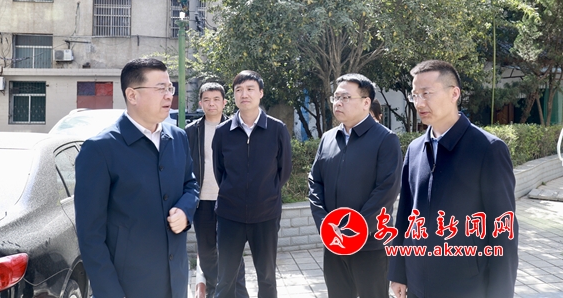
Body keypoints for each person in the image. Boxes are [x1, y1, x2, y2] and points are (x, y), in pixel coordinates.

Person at [388, 60, 518, 298]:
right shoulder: (415, 149)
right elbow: (405, 215)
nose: (419, 103)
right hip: (417, 285)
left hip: (466, 286)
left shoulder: (487, 149)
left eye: (427, 93)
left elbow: (503, 232)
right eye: (415, 95)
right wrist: (398, 272)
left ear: (454, 93)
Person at [74, 58, 199, 298]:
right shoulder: (100, 149)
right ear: (132, 95)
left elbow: (190, 184)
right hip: (129, 287)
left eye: (170, 87)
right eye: (160, 88)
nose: (168, 95)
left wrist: (185, 211)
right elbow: (90, 237)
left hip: (176, 280)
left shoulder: (178, 137)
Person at [308, 73, 403, 298]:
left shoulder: (385, 139)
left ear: (366, 102)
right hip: (334, 242)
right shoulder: (328, 138)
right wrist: (325, 224)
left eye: (345, 97)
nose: (338, 102)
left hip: (371, 244)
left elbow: (387, 190)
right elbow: (315, 182)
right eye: (336, 97)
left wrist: (355, 230)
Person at [212, 70, 292, 298]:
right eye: (238, 90)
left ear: (261, 93)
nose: (244, 94)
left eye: (249, 89)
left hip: (265, 215)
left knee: (267, 278)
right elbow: (220, 171)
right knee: (225, 279)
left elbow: (284, 170)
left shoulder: (277, 129)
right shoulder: (222, 132)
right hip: (230, 215)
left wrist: (266, 193)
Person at [185, 82, 249, 298]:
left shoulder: (237, 128)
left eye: (216, 99)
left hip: (230, 201)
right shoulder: (191, 131)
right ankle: (216, 292)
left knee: (233, 252)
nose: (211, 104)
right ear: (200, 103)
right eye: (206, 100)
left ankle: (239, 294)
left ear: (224, 102)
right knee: (207, 253)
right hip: (202, 201)